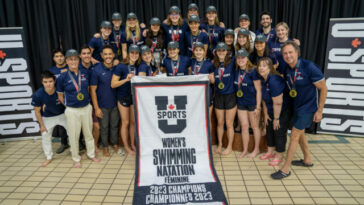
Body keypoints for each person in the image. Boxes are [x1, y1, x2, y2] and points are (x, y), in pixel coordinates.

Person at [271, 41, 328, 179]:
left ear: (297, 52)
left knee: (295, 134)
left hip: (308, 108)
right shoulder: (287, 68)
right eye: (285, 53)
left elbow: (324, 88)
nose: (288, 55)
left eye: (290, 52)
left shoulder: (309, 67)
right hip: (296, 106)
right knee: (300, 133)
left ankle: (286, 169)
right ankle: (307, 159)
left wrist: (320, 111)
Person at [56, 49, 101, 168]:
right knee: (73, 135)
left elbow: (90, 89)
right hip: (72, 110)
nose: (73, 61)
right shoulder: (62, 77)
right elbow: (60, 95)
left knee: (88, 133)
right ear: (66, 61)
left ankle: (91, 154)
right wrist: (69, 106)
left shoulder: (85, 73)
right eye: (71, 59)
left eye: (75, 59)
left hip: (86, 108)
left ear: (78, 60)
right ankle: (76, 158)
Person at [257, 57, 290, 166]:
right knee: (269, 130)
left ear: (270, 68)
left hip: (281, 111)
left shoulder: (274, 80)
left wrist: (276, 118)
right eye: (260, 66)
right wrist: (266, 114)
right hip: (271, 110)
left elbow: (278, 102)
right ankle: (270, 152)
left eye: (264, 66)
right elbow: (265, 99)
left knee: (279, 132)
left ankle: (279, 155)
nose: (261, 68)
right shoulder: (263, 79)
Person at [32, 71, 67, 167]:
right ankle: (49, 157)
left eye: (50, 81)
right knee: (45, 136)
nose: (48, 84)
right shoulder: (38, 94)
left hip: (63, 115)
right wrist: (42, 125)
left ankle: (74, 152)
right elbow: (37, 111)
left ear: (54, 81)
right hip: (48, 117)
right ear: (42, 82)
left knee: (73, 133)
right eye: (45, 82)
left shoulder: (60, 90)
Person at [90, 45, 120, 157]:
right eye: (105, 54)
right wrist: (96, 108)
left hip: (115, 104)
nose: (108, 56)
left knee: (114, 125)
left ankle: (115, 143)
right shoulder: (96, 70)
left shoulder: (117, 68)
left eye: (110, 54)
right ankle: (105, 147)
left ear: (113, 55)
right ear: (102, 56)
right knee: (104, 127)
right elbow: (92, 90)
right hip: (102, 105)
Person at [111, 45, 140, 155]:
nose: (134, 55)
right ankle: (126, 146)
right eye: (132, 53)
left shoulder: (138, 66)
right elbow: (113, 84)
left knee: (133, 122)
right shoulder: (121, 66)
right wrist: (126, 79)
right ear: (128, 54)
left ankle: (132, 144)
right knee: (126, 122)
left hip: (133, 97)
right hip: (123, 97)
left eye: (136, 53)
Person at [234, 49, 261, 158]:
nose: (240, 60)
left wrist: (258, 107)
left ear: (247, 58)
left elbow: (259, 90)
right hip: (241, 103)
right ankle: (245, 149)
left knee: (254, 127)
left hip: (252, 103)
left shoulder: (253, 71)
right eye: (238, 58)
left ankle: (256, 149)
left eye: (243, 57)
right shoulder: (236, 71)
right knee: (244, 126)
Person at [213, 42, 236, 155]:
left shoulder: (232, 62)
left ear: (227, 52)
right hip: (218, 96)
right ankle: (220, 144)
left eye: (223, 50)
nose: (221, 52)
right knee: (220, 122)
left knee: (229, 123)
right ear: (216, 52)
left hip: (230, 96)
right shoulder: (213, 64)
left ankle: (229, 146)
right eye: (219, 50)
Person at [48, 48, 70, 154]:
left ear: (65, 57)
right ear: (53, 58)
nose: (59, 58)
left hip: (71, 99)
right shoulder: (51, 71)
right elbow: (48, 86)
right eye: (57, 56)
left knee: (75, 122)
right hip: (58, 100)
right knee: (61, 123)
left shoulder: (70, 67)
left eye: (61, 56)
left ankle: (79, 142)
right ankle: (64, 143)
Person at [78, 44, 99, 152]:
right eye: (84, 53)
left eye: (88, 53)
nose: (86, 55)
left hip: (96, 101)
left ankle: (93, 145)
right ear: (80, 55)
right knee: (84, 127)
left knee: (96, 127)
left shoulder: (96, 66)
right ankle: (87, 146)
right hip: (82, 103)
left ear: (91, 55)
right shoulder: (76, 68)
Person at [191, 42, 215, 122]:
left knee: (207, 119)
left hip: (206, 93)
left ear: (204, 51)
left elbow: (213, 81)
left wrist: (210, 78)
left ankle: (209, 135)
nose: (198, 52)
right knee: (195, 118)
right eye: (196, 50)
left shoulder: (209, 64)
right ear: (193, 51)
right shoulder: (191, 62)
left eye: (200, 50)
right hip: (194, 93)